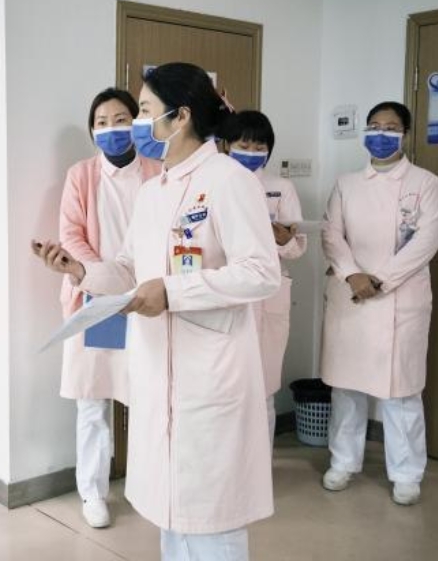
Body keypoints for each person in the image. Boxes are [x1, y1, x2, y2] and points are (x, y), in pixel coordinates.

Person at [33, 63, 280, 561]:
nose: (138, 124)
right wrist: (80, 272)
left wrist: (171, 292)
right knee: (171, 516)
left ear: (180, 116)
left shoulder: (229, 180)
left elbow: (260, 272)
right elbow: (128, 268)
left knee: (211, 518)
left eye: (144, 111)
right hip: (158, 368)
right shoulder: (154, 191)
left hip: (210, 372)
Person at [321, 101, 438, 506]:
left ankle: (406, 473)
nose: (381, 134)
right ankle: (343, 461)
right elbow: (332, 234)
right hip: (352, 295)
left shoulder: (426, 183)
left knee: (401, 391)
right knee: (346, 387)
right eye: (374, 126)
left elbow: (427, 240)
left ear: (405, 134)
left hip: (400, 298)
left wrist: (380, 279)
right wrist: (353, 274)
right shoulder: (347, 183)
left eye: (391, 127)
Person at [58, 88, 161, 528]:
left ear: (138, 124)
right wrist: (105, 281)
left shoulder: (158, 172)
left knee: (148, 397)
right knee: (93, 399)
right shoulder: (81, 175)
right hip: (97, 300)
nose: (111, 129)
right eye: (101, 122)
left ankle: (148, 486)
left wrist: (136, 287)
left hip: (146, 299)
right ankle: (93, 493)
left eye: (121, 119)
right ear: (91, 130)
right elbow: (71, 236)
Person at [218, 111, 307, 447]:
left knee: (264, 385)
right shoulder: (215, 182)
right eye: (244, 144)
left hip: (268, 293)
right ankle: (228, 463)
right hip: (225, 290)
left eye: (259, 146)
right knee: (225, 384)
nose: (251, 152)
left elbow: (298, 246)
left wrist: (283, 241)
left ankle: (260, 464)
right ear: (226, 145)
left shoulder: (281, 188)